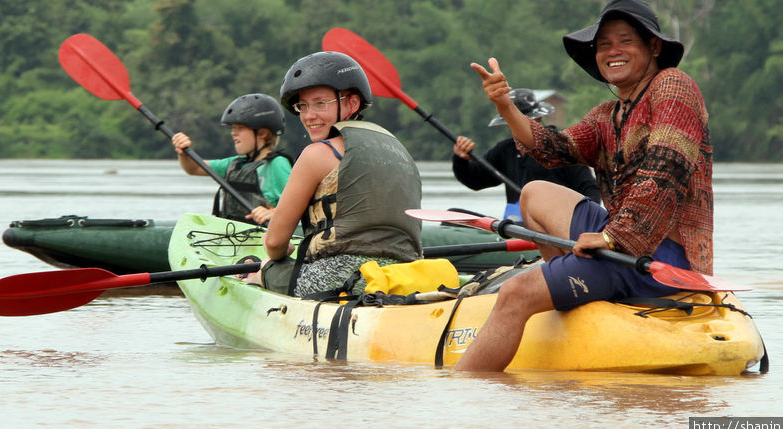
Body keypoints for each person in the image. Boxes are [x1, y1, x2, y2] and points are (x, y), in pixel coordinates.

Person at [456, 0, 713, 371]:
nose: (613, 51)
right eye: (604, 44)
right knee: (534, 194)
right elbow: (553, 148)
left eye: (625, 41)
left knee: (514, 292)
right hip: (620, 243)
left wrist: (611, 239)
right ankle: (574, 290)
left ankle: (459, 397)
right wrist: (506, 106)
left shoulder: (673, 86)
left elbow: (666, 170)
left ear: (653, 46)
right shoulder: (610, 113)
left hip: (658, 259)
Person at [251, 51, 423, 297]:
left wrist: (278, 255)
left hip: (342, 279)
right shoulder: (400, 150)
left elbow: (275, 243)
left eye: (321, 103)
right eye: (303, 106)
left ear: (352, 103)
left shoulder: (317, 154)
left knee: (265, 267)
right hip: (404, 276)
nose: (309, 116)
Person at [452, 88, 601, 220]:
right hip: (517, 226)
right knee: (454, 212)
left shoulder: (560, 147)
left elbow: (590, 189)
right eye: (512, 122)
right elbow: (475, 180)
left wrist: (583, 224)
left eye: (521, 121)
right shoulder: (505, 150)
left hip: (558, 225)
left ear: (538, 119)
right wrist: (461, 159)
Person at [171, 94, 292, 225]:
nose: (233, 133)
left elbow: (298, 204)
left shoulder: (277, 164)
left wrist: (273, 213)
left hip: (262, 237)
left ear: (263, 133)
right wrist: (183, 152)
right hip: (234, 236)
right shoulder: (236, 164)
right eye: (233, 128)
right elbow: (194, 168)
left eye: (240, 128)